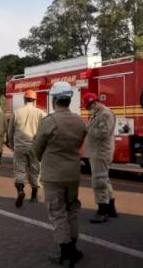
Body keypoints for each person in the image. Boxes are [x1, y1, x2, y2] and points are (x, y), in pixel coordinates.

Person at [33, 82, 87, 267]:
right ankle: (74, 248)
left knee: (57, 212)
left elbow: (37, 148)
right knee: (72, 210)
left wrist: (45, 159)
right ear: (69, 99)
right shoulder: (80, 121)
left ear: (55, 99)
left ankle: (65, 252)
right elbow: (79, 143)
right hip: (73, 173)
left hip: (53, 175)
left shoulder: (49, 121)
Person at [82, 93, 117, 223]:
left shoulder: (105, 114)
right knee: (104, 179)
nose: (88, 109)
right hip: (97, 152)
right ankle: (111, 209)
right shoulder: (97, 114)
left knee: (99, 181)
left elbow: (103, 133)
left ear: (94, 103)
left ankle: (102, 211)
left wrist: (88, 129)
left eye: (89, 106)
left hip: (101, 153)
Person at [8, 89, 46, 207]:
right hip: (35, 147)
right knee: (35, 171)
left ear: (24, 99)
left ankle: (20, 191)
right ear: (34, 100)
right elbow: (45, 132)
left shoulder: (17, 112)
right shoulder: (41, 113)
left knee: (20, 170)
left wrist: (12, 145)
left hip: (20, 146)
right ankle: (34, 196)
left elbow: (10, 131)